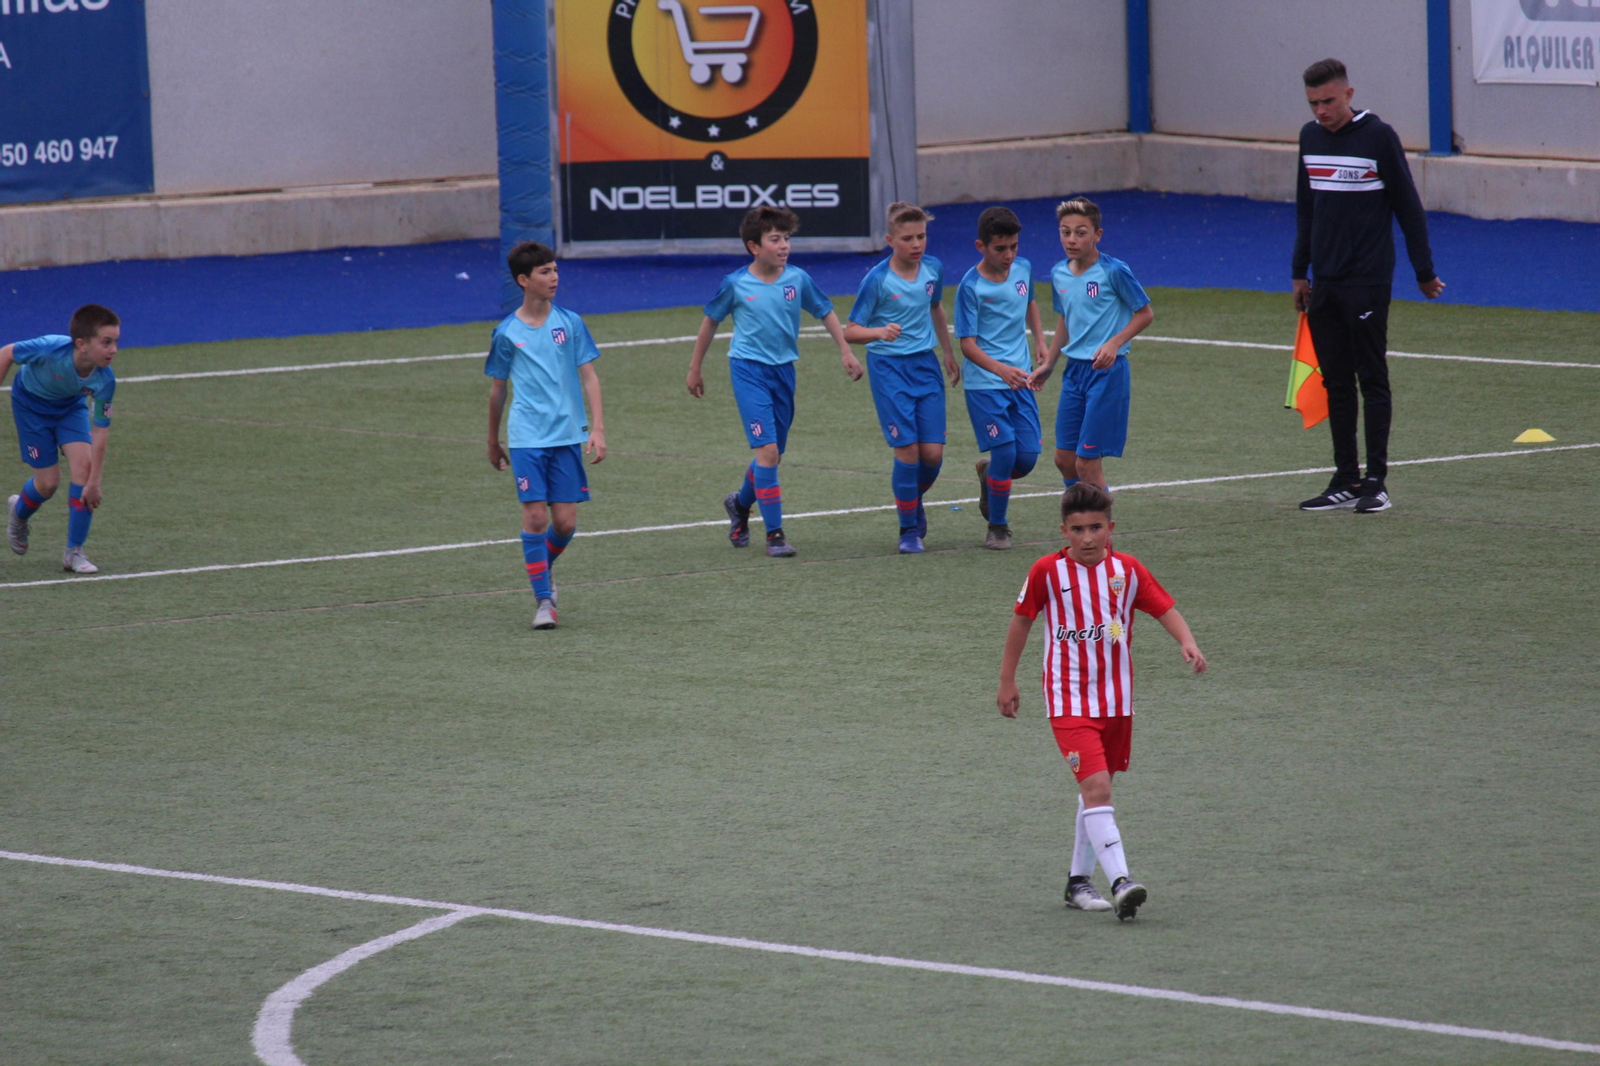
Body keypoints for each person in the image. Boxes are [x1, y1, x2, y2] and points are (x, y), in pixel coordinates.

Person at [996, 482, 1207, 920]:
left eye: (1096, 528)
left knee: (1094, 794)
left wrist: (1186, 641)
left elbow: (1163, 607)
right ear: (1063, 531)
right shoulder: (1046, 572)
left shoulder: (1127, 571)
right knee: (1098, 788)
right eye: (1078, 529)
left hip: (1117, 701)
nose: (1088, 538)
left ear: (1111, 528)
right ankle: (1121, 881)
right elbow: (1021, 622)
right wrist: (1007, 681)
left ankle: (1077, 882)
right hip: (1067, 699)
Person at [1292, 57, 1445, 515]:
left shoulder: (1379, 137)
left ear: (1349, 95)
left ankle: (1376, 481)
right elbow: (1306, 209)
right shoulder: (1309, 137)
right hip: (1325, 283)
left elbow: (1408, 207)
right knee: (1335, 381)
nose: (1321, 110)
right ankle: (1345, 477)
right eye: (1314, 103)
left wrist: (1424, 271)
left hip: (1367, 281)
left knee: (1371, 377)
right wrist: (1300, 272)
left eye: (1329, 101)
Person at [687, 205, 862, 557]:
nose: (784, 246)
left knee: (773, 455)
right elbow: (711, 321)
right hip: (748, 371)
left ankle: (739, 505)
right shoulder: (736, 284)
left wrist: (845, 350)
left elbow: (825, 310)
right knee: (766, 451)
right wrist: (695, 368)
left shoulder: (797, 279)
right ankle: (775, 535)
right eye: (775, 239)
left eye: (786, 239)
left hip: (784, 373)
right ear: (754, 246)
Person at [485, 240, 606, 631]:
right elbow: (498, 389)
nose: (554, 278)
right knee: (536, 517)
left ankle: (542, 564)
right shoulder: (506, 334)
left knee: (565, 524)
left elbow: (589, 376)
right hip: (526, 438)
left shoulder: (569, 323)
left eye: (555, 270)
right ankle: (543, 602)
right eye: (545, 272)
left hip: (567, 435)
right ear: (524, 280)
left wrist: (598, 429)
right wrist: (492, 439)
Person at [843, 202, 960, 554]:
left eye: (921, 236)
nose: (916, 244)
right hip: (889, 369)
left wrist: (948, 352)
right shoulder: (877, 280)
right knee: (908, 451)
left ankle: (910, 500)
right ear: (890, 240)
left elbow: (936, 307)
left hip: (924, 366)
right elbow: (851, 331)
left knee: (933, 455)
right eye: (907, 238)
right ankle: (908, 529)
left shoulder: (933, 269)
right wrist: (879, 332)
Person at [1032, 198, 1153, 492]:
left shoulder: (1114, 271)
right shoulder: (1059, 273)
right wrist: (1050, 363)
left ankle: (1101, 534)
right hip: (1074, 373)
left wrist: (1114, 343)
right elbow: (1066, 320)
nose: (1071, 239)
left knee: (1086, 463)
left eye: (1081, 232)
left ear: (1098, 235)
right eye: (1065, 231)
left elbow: (1145, 314)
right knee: (1064, 459)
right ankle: (1084, 517)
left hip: (1107, 374)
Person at [954, 206, 1049, 551]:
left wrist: (1039, 340)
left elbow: (1031, 302)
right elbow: (967, 345)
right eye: (1000, 248)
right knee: (1006, 451)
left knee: (1025, 459)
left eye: (1013, 246)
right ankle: (998, 526)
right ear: (981, 246)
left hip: (1019, 379)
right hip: (986, 384)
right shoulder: (971, 286)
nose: (1009, 255)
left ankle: (987, 472)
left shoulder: (1022, 269)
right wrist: (1000, 369)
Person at [2, 304, 121, 574]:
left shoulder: (105, 380)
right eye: (106, 342)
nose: (113, 349)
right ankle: (19, 512)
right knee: (48, 484)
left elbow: (101, 432)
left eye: (115, 341)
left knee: (84, 471)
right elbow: (8, 352)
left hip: (70, 408)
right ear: (81, 344)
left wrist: (94, 482)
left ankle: (74, 551)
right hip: (31, 407)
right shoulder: (50, 348)